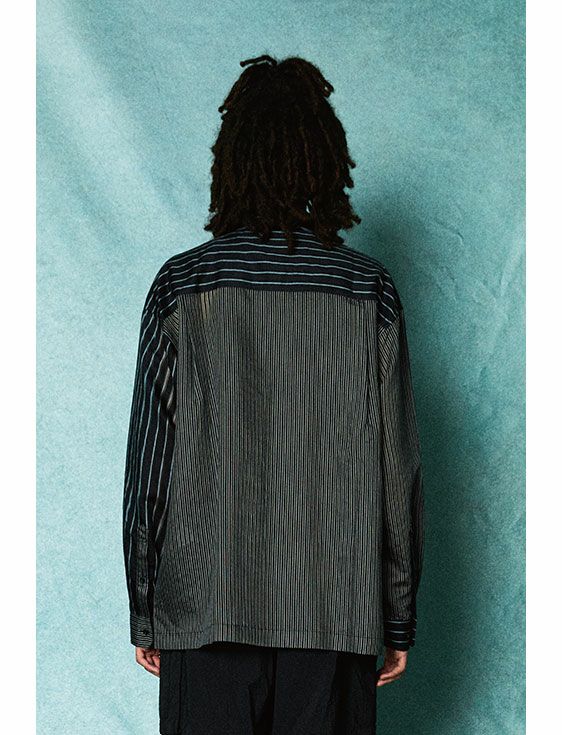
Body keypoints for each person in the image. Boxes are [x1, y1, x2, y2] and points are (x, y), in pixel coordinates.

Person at [122, 54, 424, 734]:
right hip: (334, 613)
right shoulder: (366, 290)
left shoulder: (182, 287)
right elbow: (397, 470)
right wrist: (397, 615)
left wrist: (146, 608)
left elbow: (150, 468)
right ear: (322, 162)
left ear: (230, 160)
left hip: (204, 612)